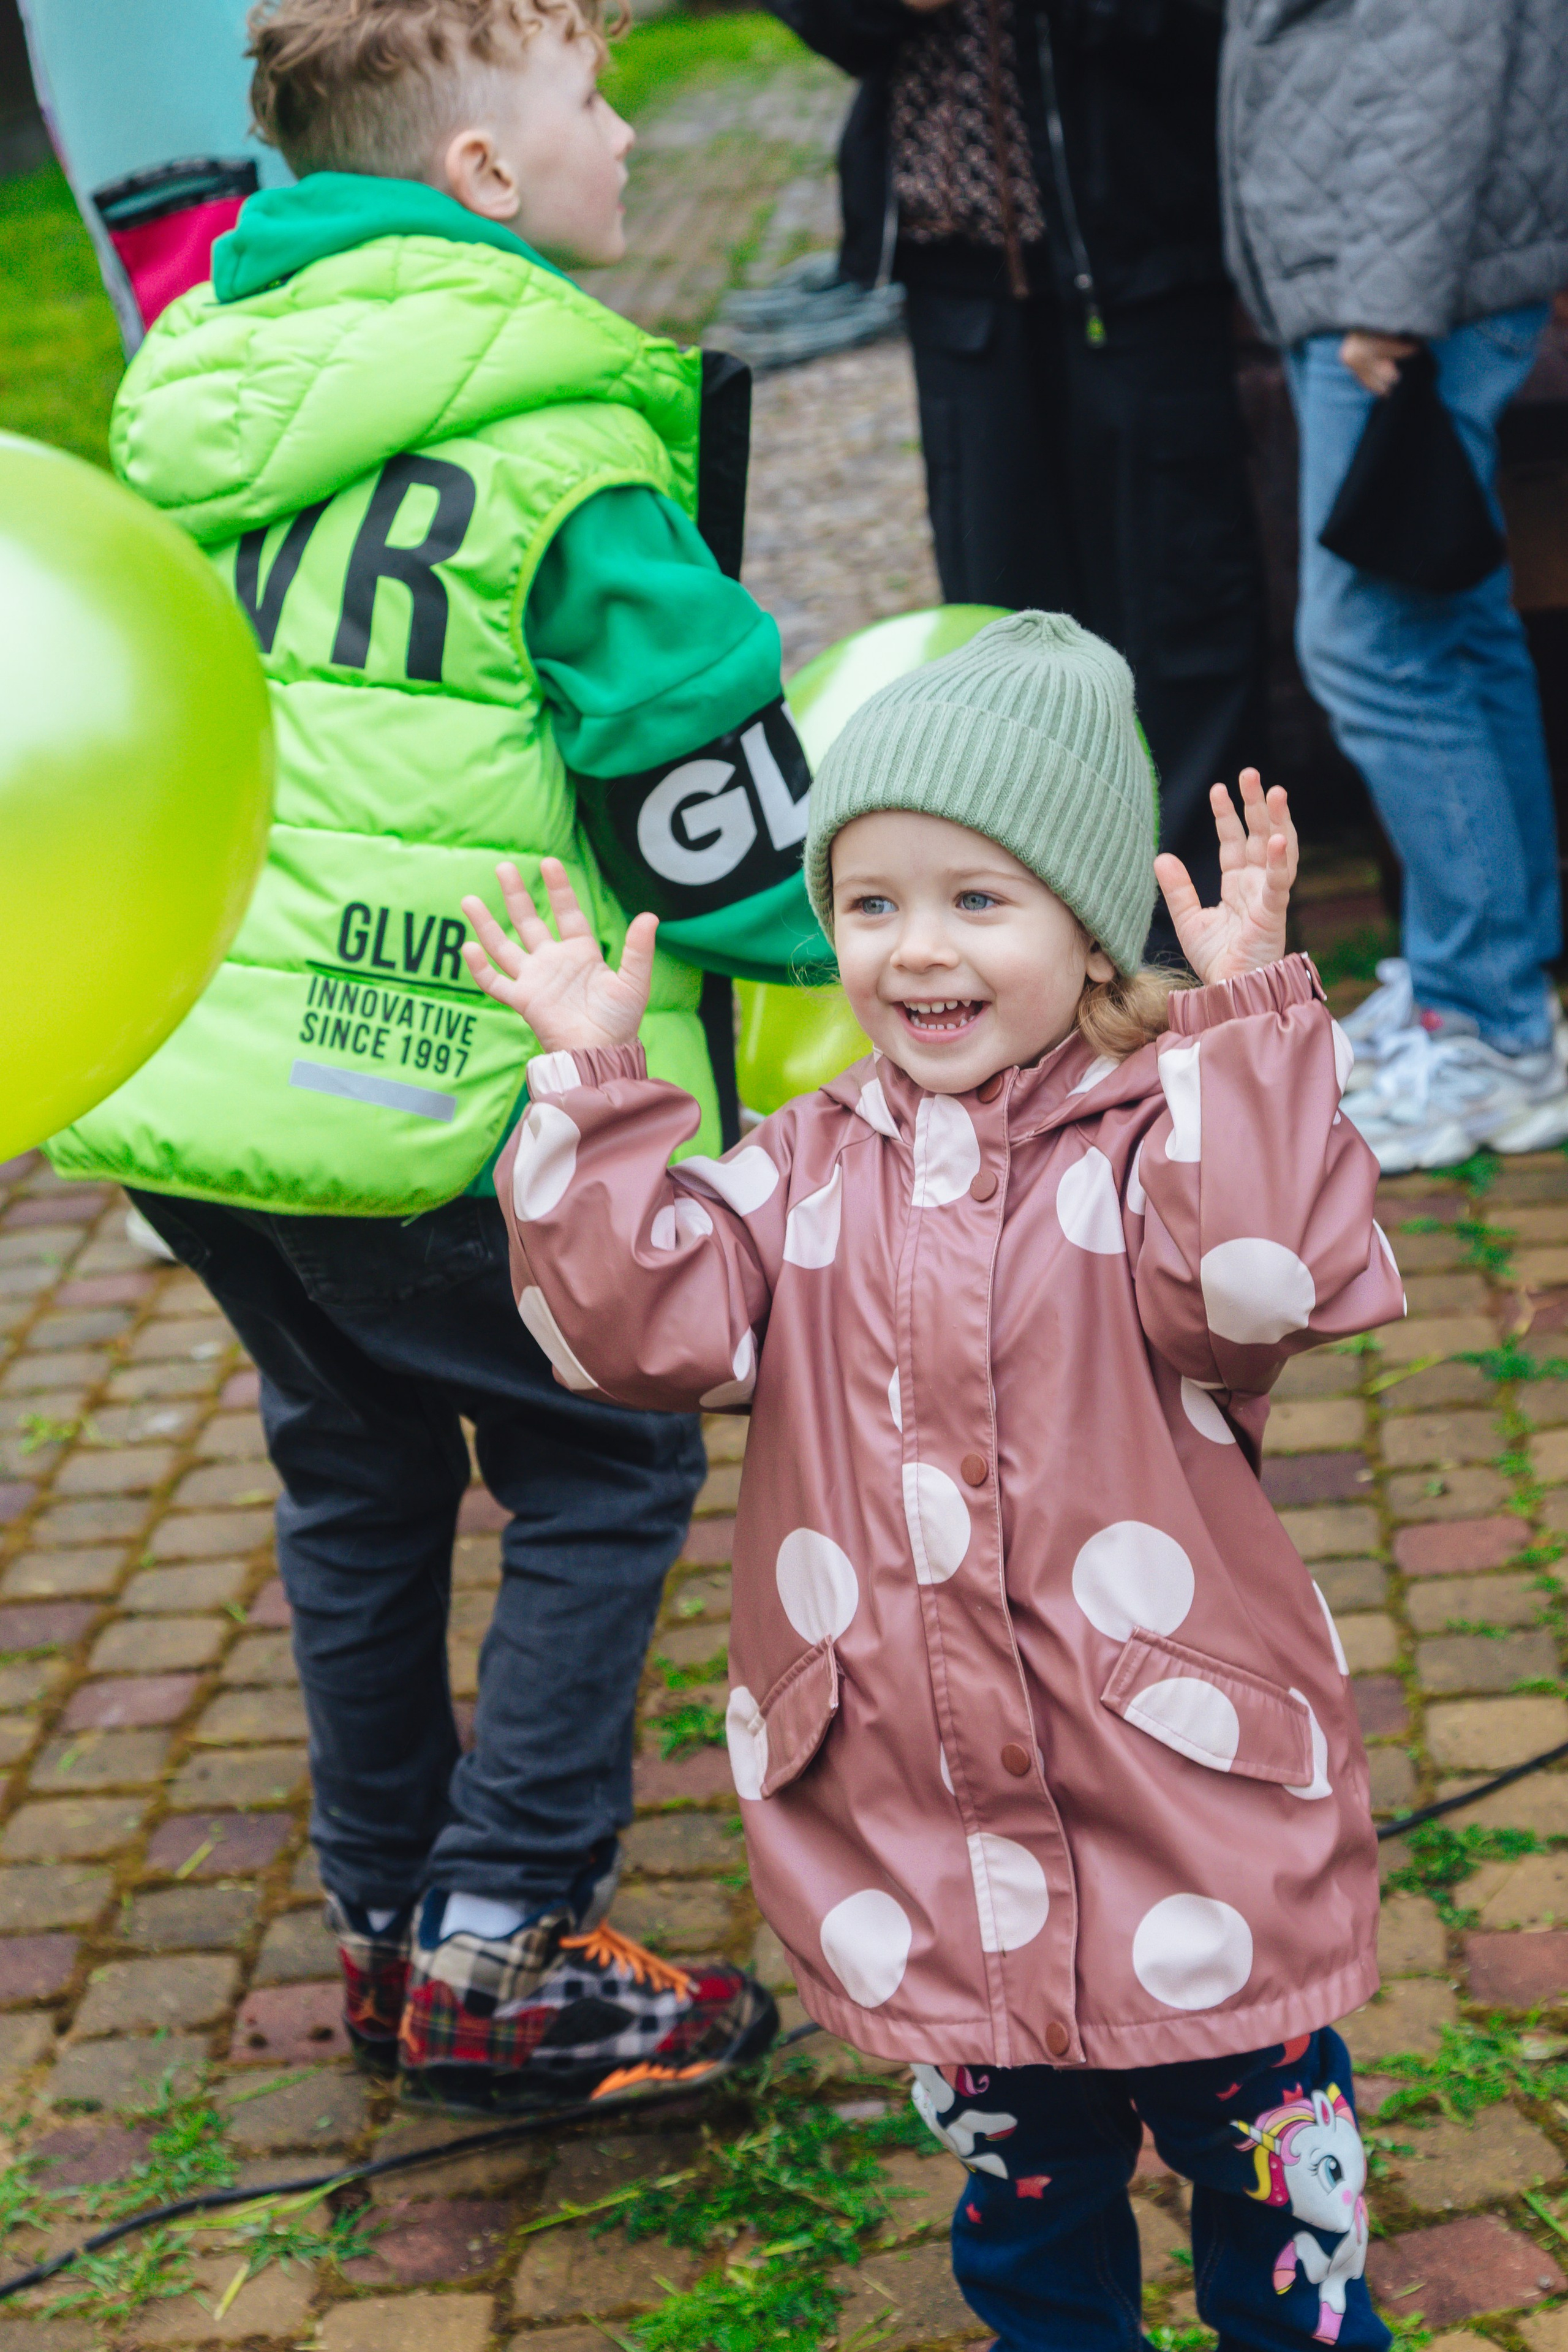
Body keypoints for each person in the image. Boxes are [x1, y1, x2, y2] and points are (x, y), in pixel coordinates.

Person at [44, 0, 831, 2110]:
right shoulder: (576, 441)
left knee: (356, 1463)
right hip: (445, 1090)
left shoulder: (190, 392)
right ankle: (506, 1936)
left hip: (201, 1078)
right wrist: (864, 953)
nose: (636, 135)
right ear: (484, 174)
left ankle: (389, 1912)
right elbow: (715, 814)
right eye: (598, 97)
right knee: (605, 1454)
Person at [464, 609, 1406, 2348]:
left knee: (1276, 2199)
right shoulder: (800, 1169)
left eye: (980, 901)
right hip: (930, 1825)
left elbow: (1265, 1279)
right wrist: (601, 1095)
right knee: (1028, 2224)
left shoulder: (1156, 1143)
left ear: (1082, 917)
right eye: (871, 903)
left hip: (1178, 1801)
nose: (915, 952)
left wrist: (1257, 1029)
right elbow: (630, 1336)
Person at [767, 0, 1267, 949]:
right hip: (959, 281)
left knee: (1181, 613)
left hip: (1140, 263)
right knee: (1006, 630)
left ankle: (1200, 954)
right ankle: (1039, 949)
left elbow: (1204, 32)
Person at [1221, 0, 1568, 1172]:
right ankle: (1481, 986)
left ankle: (1490, 1031)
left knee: (1374, 647)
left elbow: (1438, 41)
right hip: (1399, 270)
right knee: (1449, 627)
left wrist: (1390, 292)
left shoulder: (1396, 294)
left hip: (1403, 288)